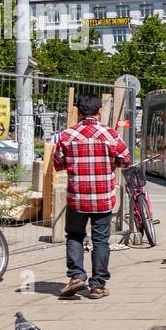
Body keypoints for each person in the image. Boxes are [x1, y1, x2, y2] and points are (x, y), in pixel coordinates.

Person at [53, 93, 132, 299]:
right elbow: (125, 160)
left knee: (75, 236)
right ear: (99, 111)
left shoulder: (66, 135)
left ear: (78, 111)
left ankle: (77, 276)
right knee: (101, 240)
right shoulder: (110, 135)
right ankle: (97, 285)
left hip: (77, 198)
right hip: (103, 198)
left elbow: (58, 164)